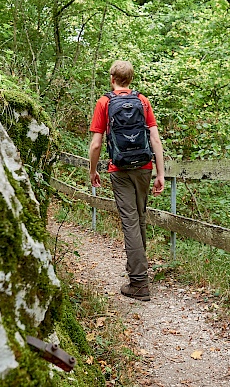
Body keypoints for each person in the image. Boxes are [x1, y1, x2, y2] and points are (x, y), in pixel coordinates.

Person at [89, 60, 165, 301]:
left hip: (119, 168)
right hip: (144, 167)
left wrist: (93, 170)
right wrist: (160, 173)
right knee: (140, 219)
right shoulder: (142, 101)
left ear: (112, 78)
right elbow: (155, 140)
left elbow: (96, 143)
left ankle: (139, 282)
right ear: (130, 80)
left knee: (130, 222)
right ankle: (139, 271)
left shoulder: (105, 102)